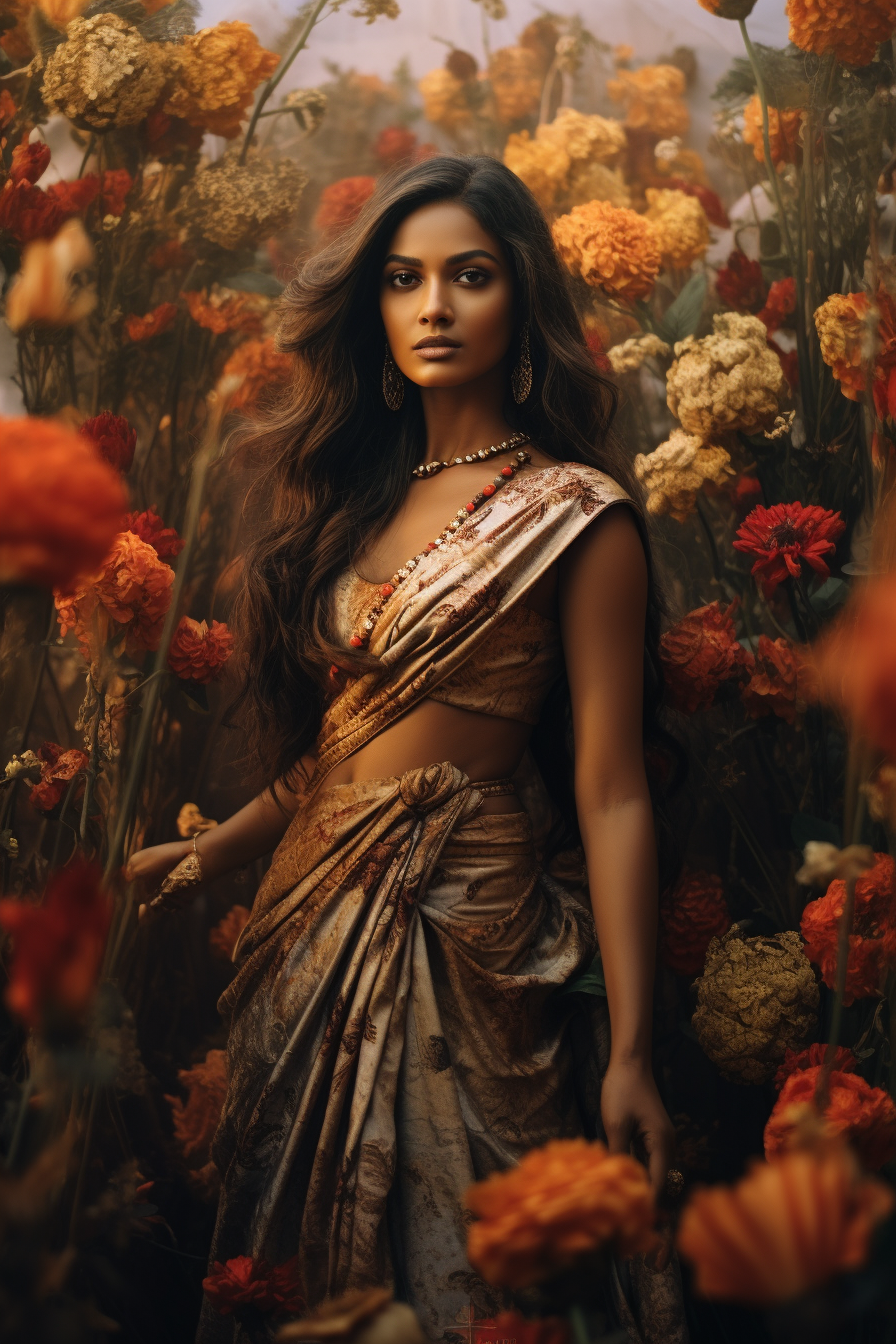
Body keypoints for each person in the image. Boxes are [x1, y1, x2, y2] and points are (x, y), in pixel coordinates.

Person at [126, 155, 688, 1344]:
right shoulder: (358, 509)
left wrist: (631, 1051)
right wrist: (208, 853)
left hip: (467, 924)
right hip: (309, 928)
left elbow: (612, 787)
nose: (432, 305)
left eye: (468, 276)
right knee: (303, 1262)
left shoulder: (576, 514)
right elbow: (345, 747)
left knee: (474, 1271)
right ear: (373, 309)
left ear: (519, 300)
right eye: (402, 278)